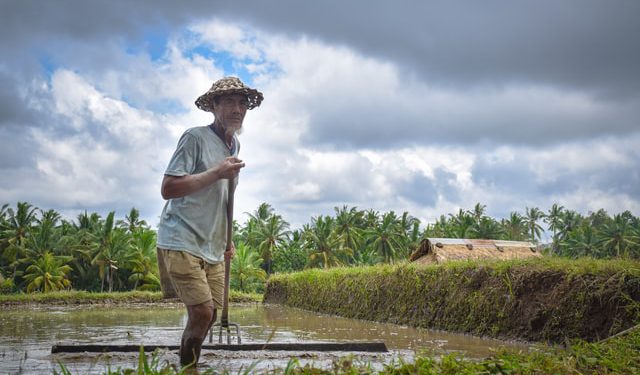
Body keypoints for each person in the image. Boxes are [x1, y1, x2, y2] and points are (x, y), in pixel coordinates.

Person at [156, 76, 263, 369]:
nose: (237, 108)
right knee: (202, 312)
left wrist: (227, 238)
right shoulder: (194, 137)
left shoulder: (233, 145)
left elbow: (226, 195)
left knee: (211, 313)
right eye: (228, 101)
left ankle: (188, 362)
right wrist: (217, 172)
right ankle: (188, 369)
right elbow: (169, 188)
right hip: (182, 238)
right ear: (214, 106)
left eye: (242, 103)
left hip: (212, 243)